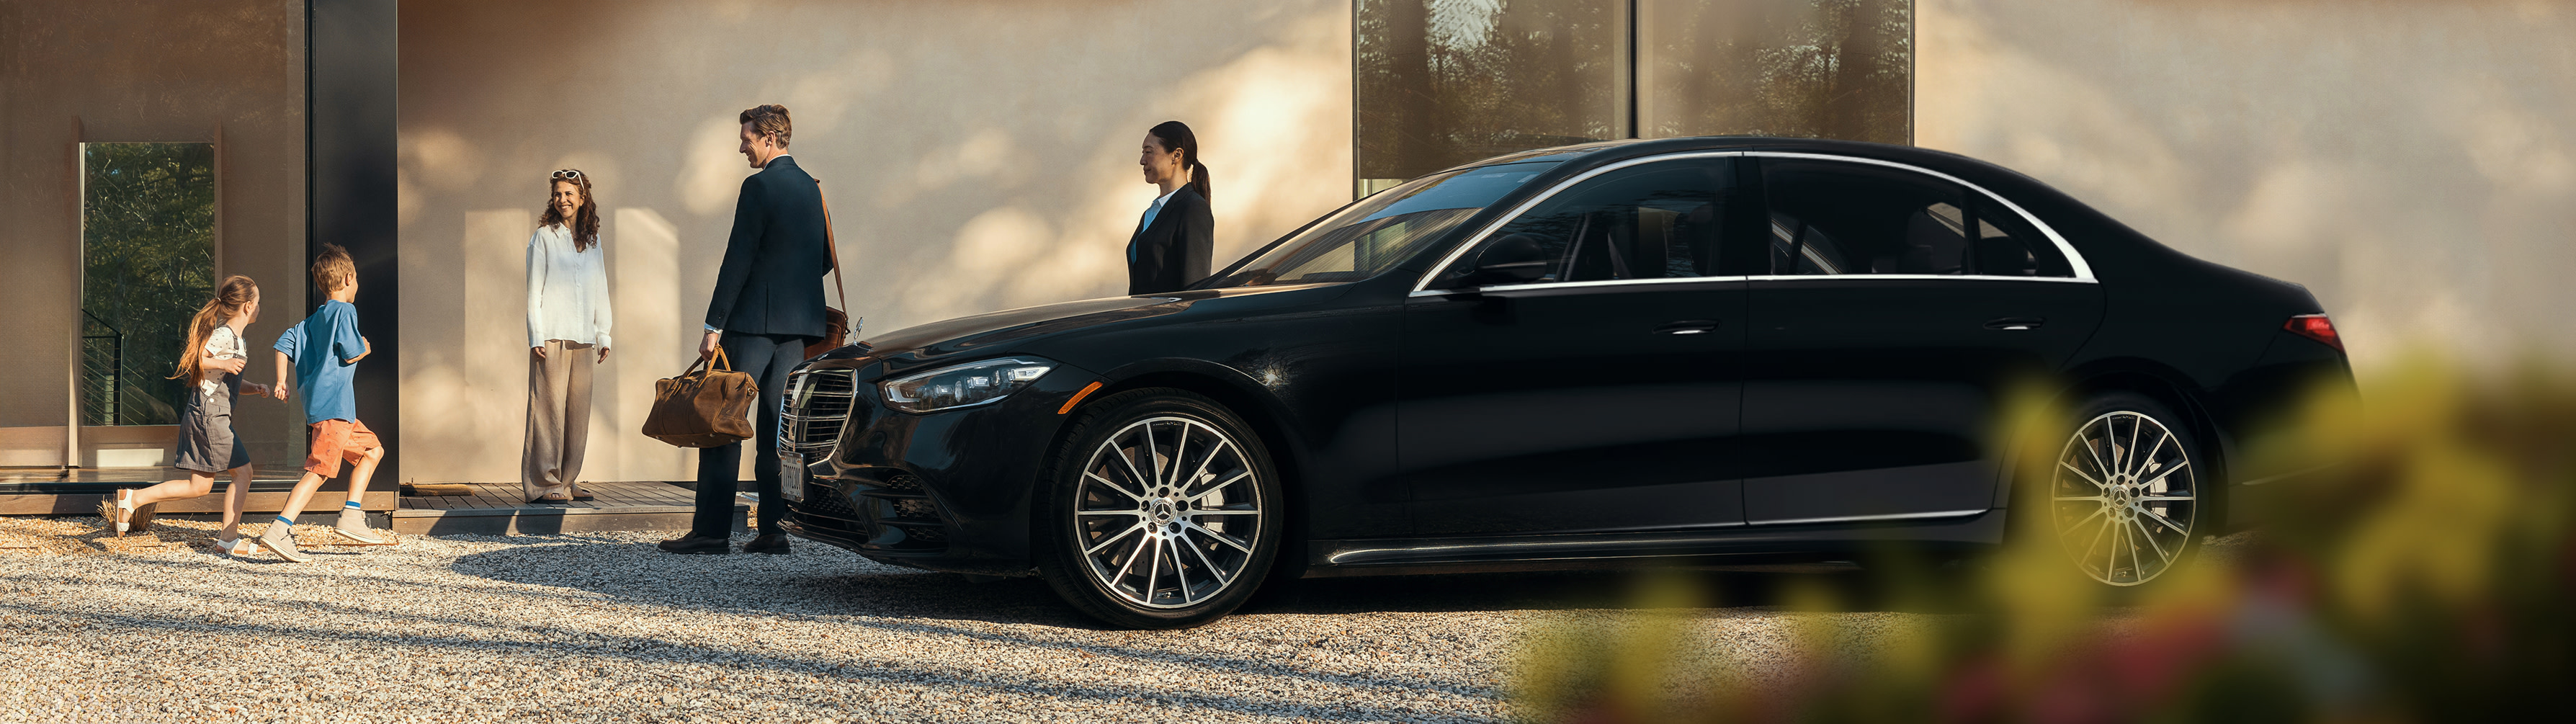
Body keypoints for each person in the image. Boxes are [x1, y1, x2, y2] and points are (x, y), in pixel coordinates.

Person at [661, 104, 830, 555]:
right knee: (776, 429)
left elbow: (738, 259)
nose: (742, 146)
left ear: (770, 138)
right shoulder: (812, 189)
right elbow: (825, 260)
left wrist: (713, 324)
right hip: (798, 331)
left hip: (752, 323)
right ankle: (774, 531)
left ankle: (711, 532)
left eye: (748, 138)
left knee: (720, 422)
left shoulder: (757, 188)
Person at [100, 275, 270, 557]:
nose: (260, 308)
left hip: (216, 414)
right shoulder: (224, 335)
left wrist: (255, 388)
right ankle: (229, 537)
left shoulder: (238, 340)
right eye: (259, 303)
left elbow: (225, 377)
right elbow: (194, 361)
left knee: (199, 486)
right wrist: (222, 362)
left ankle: (133, 499)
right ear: (249, 307)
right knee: (243, 474)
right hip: (208, 414)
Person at [261, 243, 393, 563]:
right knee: (319, 470)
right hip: (335, 409)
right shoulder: (346, 311)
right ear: (348, 278)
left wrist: (282, 380)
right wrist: (366, 347)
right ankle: (279, 528)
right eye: (357, 279)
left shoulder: (309, 322)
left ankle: (351, 515)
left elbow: (282, 344)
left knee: (373, 450)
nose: (357, 285)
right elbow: (351, 352)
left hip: (327, 411)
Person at [524, 169, 612, 505]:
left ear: (582, 197)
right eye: (558, 194)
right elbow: (534, 291)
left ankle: (568, 479)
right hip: (552, 336)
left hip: (584, 336)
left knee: (578, 413)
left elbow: (600, 287)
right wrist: (537, 334)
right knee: (547, 412)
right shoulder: (544, 237)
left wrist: (603, 333)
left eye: (569, 193)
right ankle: (544, 483)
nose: (563, 199)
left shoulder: (593, 240)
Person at [1126, 120, 1214, 295]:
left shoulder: (1193, 208)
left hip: (1166, 320)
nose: (1142, 161)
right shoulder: (1152, 212)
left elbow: (1194, 287)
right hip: (1143, 319)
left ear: (1176, 155)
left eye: (1149, 152)